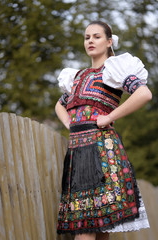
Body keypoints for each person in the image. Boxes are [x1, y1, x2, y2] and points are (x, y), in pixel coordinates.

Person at [55, 21, 152, 240]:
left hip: (101, 151)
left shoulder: (114, 69)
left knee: (86, 230)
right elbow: (59, 105)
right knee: (98, 231)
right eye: (87, 37)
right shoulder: (77, 76)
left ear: (109, 42)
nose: (90, 41)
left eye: (96, 37)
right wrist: (69, 124)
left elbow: (143, 94)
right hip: (77, 154)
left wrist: (109, 116)